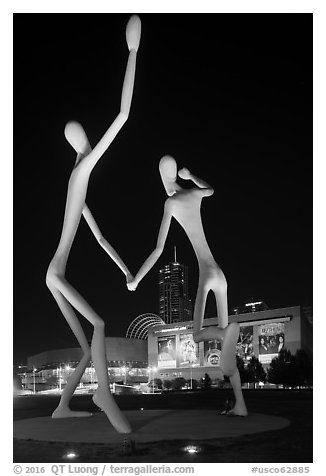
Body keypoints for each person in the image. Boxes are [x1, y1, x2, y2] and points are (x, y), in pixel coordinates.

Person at [46, 15, 141, 433]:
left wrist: (125, 270)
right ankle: (103, 394)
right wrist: (133, 53)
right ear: (79, 143)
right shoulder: (82, 171)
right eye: (82, 135)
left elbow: (99, 236)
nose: (86, 139)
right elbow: (122, 116)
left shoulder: (76, 183)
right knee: (100, 325)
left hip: (53, 274)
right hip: (55, 274)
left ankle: (62, 406)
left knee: (87, 348)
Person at [127, 155, 248, 416]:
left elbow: (158, 249)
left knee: (197, 335)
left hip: (206, 275)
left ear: (162, 177)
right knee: (228, 356)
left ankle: (227, 333)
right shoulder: (193, 193)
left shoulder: (171, 202)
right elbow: (210, 190)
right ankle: (240, 405)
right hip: (221, 274)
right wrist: (191, 174)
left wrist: (136, 279)